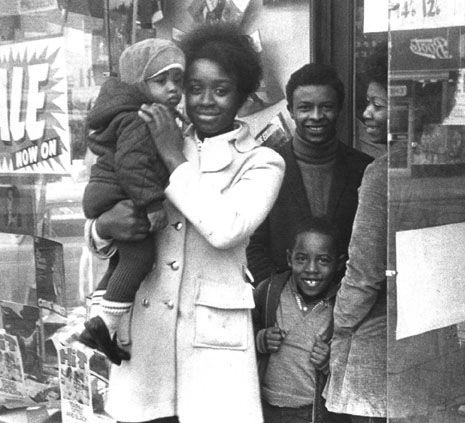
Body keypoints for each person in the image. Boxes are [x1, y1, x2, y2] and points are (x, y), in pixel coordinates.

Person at [83, 23, 285, 423]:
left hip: (214, 346)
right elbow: (102, 218)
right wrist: (104, 226)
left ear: (243, 95)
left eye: (221, 89)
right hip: (146, 340)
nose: (205, 100)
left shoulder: (262, 161)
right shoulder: (152, 133)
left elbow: (226, 229)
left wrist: (174, 158)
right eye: (194, 87)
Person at [326, 43, 445, 423]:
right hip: (430, 336)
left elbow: (363, 275)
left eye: (379, 104)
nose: (366, 114)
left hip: (379, 343)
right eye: (367, 103)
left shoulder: (381, 176)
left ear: (412, 107)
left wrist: (336, 326)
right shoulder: (447, 166)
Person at [78, 38, 186, 364]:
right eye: (161, 80)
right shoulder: (140, 119)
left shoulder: (134, 115)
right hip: (119, 195)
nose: (173, 89)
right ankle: (106, 325)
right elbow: (132, 164)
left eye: (178, 80)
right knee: (139, 259)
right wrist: (153, 204)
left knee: (119, 263)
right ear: (140, 83)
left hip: (108, 192)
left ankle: (99, 328)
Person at [247, 63, 372, 284]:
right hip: (280, 305)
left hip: (346, 306)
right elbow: (253, 246)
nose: (316, 116)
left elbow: (370, 249)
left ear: (339, 109)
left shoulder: (364, 170)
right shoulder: (264, 167)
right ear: (291, 111)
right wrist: (280, 301)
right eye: (305, 107)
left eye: (326, 107)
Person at [253, 216, 346, 423]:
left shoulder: (342, 305)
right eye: (302, 258)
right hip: (266, 408)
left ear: (339, 263)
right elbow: (242, 332)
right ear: (289, 258)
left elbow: (353, 357)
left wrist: (330, 361)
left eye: (323, 260)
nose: (311, 268)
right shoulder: (269, 291)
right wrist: (261, 340)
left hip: (312, 413)